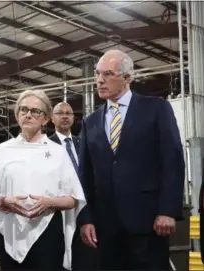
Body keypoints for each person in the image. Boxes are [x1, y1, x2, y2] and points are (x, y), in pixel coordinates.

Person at [78, 49, 185, 270]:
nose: (99, 80)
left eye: (108, 74)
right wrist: (86, 218)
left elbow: (172, 161)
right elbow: (85, 175)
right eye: (97, 74)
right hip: (106, 228)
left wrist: (167, 210)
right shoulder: (91, 122)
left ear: (127, 77)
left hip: (149, 223)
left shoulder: (156, 109)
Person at [0, 90, 86, 270]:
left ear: (45, 119)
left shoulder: (57, 152)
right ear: (17, 115)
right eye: (23, 110)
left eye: (35, 111)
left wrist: (50, 202)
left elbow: (73, 199)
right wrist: (3, 200)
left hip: (47, 232)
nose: (28, 114)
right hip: (9, 232)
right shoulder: (3, 150)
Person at [50, 102, 98, 270]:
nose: (64, 116)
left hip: (85, 209)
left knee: (85, 258)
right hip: (60, 210)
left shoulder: (82, 143)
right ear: (51, 118)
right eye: (59, 113)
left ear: (73, 118)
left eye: (68, 113)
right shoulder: (47, 146)